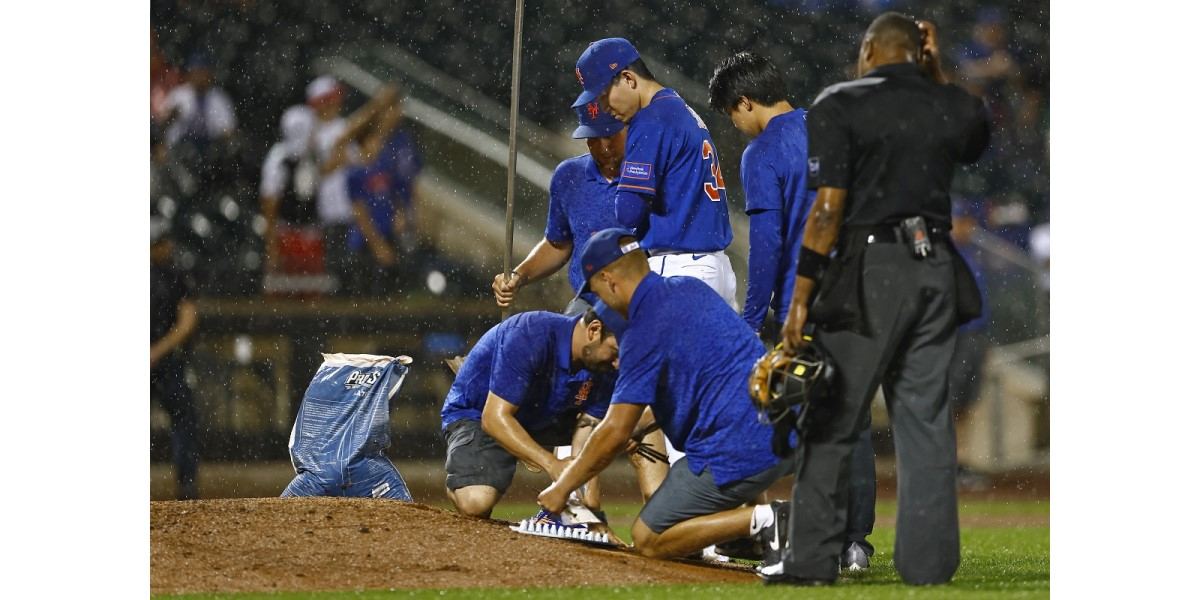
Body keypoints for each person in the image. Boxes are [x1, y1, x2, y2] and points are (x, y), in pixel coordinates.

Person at [775, 13, 990, 586]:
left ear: (870, 48)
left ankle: (811, 561)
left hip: (873, 267)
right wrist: (935, 67)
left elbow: (827, 208)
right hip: (936, 266)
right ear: (918, 51)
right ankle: (928, 568)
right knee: (925, 424)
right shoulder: (949, 102)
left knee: (833, 413)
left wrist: (801, 295)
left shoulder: (841, 102)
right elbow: (972, 130)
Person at [708, 50, 876, 572]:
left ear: (744, 102)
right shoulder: (833, 126)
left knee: (812, 421)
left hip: (807, 302)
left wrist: (752, 317)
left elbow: (768, 244)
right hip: (863, 290)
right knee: (854, 420)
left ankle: (817, 539)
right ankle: (855, 543)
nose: (735, 127)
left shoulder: (762, 153)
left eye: (732, 116)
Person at [538, 229, 796, 562]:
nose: (598, 302)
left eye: (596, 290)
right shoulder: (690, 290)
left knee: (649, 536)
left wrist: (561, 488)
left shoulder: (642, 328)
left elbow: (614, 430)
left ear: (610, 280)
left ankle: (771, 520)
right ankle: (748, 537)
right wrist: (638, 427)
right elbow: (709, 380)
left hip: (736, 446)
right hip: (784, 425)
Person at [571, 38, 736, 309]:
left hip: (681, 269)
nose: (603, 107)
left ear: (628, 78)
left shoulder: (650, 119)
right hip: (712, 266)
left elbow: (628, 211)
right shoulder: (679, 108)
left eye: (602, 95)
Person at [441, 302, 630, 520]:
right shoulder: (530, 332)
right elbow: (493, 418)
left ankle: (655, 525)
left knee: (635, 424)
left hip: (546, 414)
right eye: (615, 352)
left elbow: (589, 430)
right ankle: (464, 478)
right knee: (476, 502)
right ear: (593, 330)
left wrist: (591, 505)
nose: (618, 364)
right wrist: (552, 464)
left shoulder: (604, 364)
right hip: (483, 412)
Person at [492, 101, 627, 315]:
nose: (603, 147)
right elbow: (557, 244)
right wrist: (519, 276)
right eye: (592, 138)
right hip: (588, 307)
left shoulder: (652, 176)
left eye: (610, 135)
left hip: (643, 304)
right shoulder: (570, 176)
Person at [343, 95, 424, 296]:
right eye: (373, 141)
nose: (378, 145)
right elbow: (360, 211)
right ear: (364, 143)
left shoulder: (385, 168)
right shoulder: (355, 173)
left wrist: (401, 214)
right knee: (363, 292)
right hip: (365, 241)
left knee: (388, 291)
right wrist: (377, 244)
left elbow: (398, 194)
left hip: (388, 234)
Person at [150, 217, 201, 500]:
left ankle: (187, 484)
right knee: (184, 418)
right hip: (165, 358)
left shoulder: (175, 274)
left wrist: (157, 350)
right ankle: (186, 485)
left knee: (184, 418)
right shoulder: (174, 273)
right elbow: (187, 320)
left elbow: (187, 320)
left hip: (167, 360)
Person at [260, 104, 319, 274]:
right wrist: (272, 246)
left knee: (314, 293)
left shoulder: (312, 156)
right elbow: (269, 203)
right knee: (286, 293)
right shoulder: (279, 159)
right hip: (286, 236)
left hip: (311, 234)